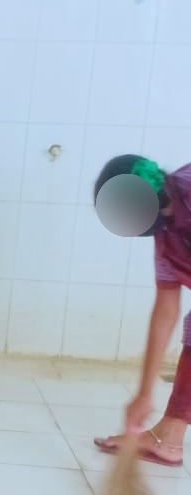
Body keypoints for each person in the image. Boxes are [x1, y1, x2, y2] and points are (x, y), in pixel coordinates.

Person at [94, 154, 191, 466]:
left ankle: (169, 435)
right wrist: (144, 394)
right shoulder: (166, 241)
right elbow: (165, 312)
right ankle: (169, 438)